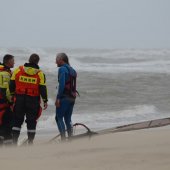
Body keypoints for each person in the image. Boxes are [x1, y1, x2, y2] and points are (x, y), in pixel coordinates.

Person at [9, 53, 48, 145]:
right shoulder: (40, 73)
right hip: (33, 100)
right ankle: (30, 142)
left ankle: (14, 141)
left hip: (19, 99)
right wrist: (45, 100)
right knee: (31, 121)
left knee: (17, 120)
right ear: (37, 62)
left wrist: (11, 95)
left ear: (29, 60)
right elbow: (42, 88)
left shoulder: (18, 70)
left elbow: (11, 84)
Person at [55, 53, 78, 141]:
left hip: (64, 97)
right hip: (72, 98)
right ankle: (70, 138)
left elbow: (62, 85)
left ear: (61, 59)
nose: (55, 62)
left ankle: (63, 139)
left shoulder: (62, 69)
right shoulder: (72, 70)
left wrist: (58, 98)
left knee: (58, 117)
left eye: (56, 59)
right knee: (68, 119)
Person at [0, 54, 15, 145]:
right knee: (7, 126)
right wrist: (11, 102)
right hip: (4, 104)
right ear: (8, 62)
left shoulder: (5, 72)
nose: (14, 62)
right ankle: (8, 147)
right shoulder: (5, 74)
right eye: (13, 61)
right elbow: (6, 91)